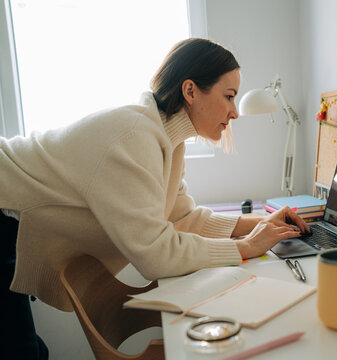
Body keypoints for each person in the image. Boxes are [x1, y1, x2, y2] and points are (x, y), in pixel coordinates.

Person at [0, 38, 309, 359]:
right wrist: (246, 247)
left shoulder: (166, 140)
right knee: (21, 352)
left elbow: (182, 219)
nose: (234, 112)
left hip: (12, 215)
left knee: (28, 349)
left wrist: (258, 225)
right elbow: (154, 255)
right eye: (229, 96)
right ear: (190, 91)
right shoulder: (134, 136)